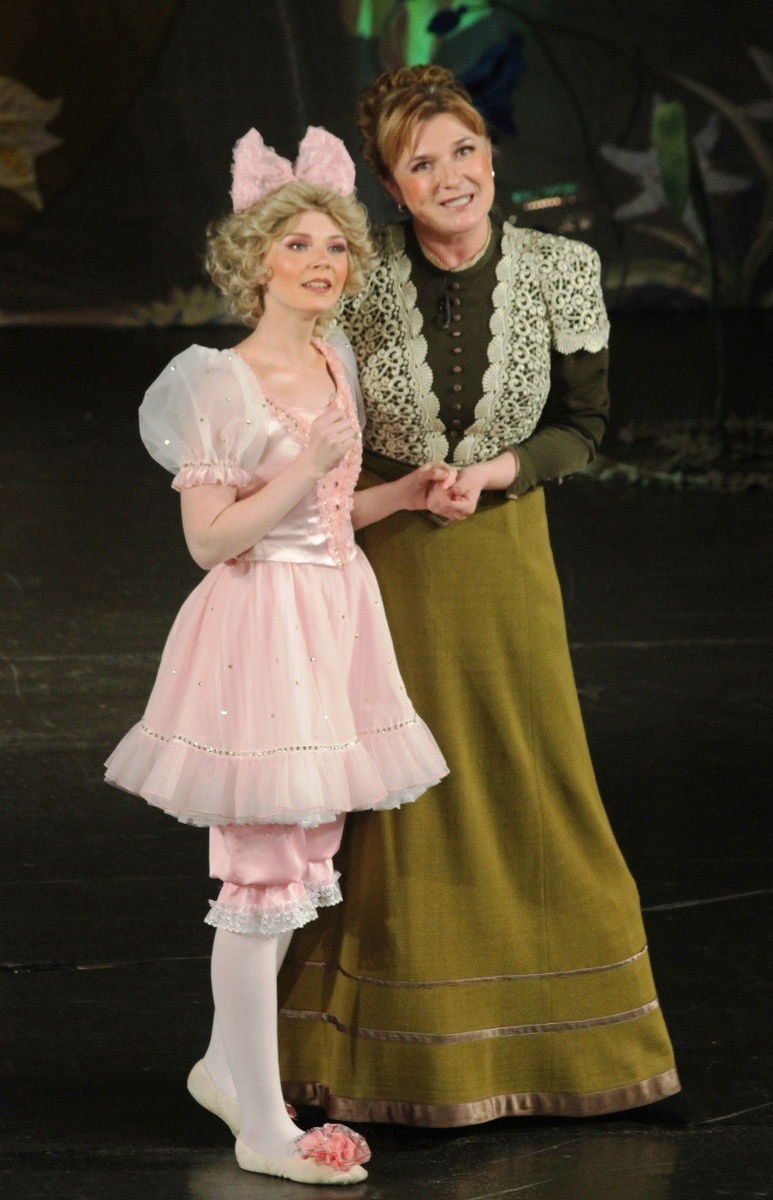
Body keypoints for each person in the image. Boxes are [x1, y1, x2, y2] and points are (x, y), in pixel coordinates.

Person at [275, 66, 683, 1126]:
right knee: (395, 799)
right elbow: (306, 412)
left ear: (491, 155)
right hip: (389, 565)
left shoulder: (560, 268)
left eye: (463, 150)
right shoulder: (355, 275)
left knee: (532, 776)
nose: (450, 175)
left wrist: (499, 470)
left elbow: (583, 426)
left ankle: (582, 1048)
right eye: (421, 163)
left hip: (505, 558)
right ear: (389, 186)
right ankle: (392, 1063)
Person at [104, 123, 450, 1183]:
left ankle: (226, 1067)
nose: (320, 263)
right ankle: (262, 1124)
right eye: (296, 245)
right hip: (261, 632)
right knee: (260, 878)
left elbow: (330, 513)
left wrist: (403, 491)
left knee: (303, 862)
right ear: (254, 263)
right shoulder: (218, 380)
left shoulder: (331, 359)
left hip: (334, 621)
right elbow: (210, 541)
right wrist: (302, 469)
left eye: (335, 246)